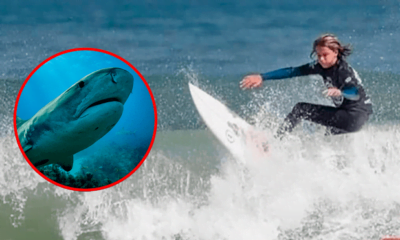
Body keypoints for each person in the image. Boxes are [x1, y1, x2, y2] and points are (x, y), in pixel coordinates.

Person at [240, 33, 373, 138]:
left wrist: (340, 92)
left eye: (325, 55)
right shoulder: (320, 66)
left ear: (336, 52)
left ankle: (277, 141)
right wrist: (262, 77)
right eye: (318, 55)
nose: (321, 59)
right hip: (355, 119)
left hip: (353, 116)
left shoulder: (343, 71)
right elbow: (294, 71)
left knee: (300, 109)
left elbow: (354, 92)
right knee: (325, 136)